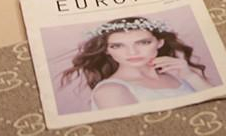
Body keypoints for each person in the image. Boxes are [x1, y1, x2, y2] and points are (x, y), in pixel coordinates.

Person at [61, 16, 212, 109]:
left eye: (143, 43)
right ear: (107, 50)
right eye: (118, 46)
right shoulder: (111, 91)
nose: (132, 52)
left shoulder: (181, 74)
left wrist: (191, 76)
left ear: (159, 43)